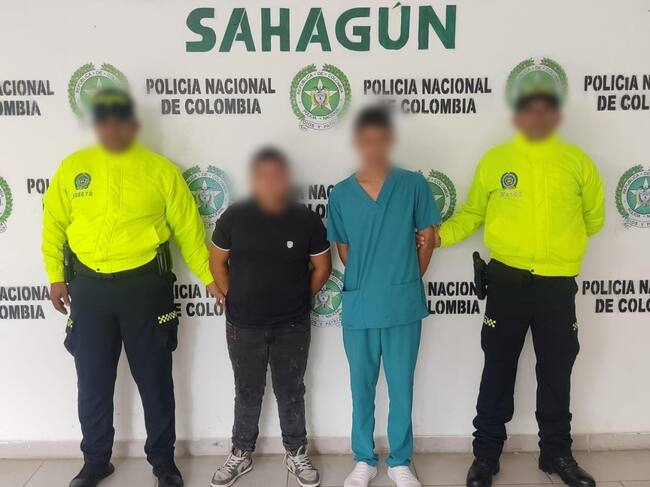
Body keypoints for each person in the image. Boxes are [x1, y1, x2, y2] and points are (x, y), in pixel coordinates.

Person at [432, 61, 605, 487]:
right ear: (518, 116)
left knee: (556, 372)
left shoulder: (578, 162)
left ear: (556, 116)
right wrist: (437, 237)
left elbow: (594, 219)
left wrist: (556, 249)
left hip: (557, 285)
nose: (537, 116)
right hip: (506, 282)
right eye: (529, 109)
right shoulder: (497, 160)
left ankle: (557, 455)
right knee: (498, 370)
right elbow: (472, 213)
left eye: (545, 109)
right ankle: (485, 456)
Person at [42, 88, 220, 487]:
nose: (111, 127)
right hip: (88, 290)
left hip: (145, 289)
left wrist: (211, 278)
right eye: (104, 120)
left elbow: (190, 233)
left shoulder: (161, 171)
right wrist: (55, 275)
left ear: (133, 124)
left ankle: (164, 464)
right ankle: (95, 461)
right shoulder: (73, 168)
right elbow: (53, 225)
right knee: (92, 382)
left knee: (155, 381)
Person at [327, 106, 441, 487]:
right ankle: (364, 458)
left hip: (402, 306)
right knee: (361, 388)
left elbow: (428, 238)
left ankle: (399, 461)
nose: (373, 146)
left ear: (390, 141)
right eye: (366, 139)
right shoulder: (341, 194)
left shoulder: (412, 185)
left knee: (401, 386)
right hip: (360, 306)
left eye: (381, 139)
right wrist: (374, 277)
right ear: (357, 143)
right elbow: (345, 251)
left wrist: (406, 277)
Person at [208, 147, 332, 487]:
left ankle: (296, 452)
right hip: (243, 325)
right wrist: (235, 297)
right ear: (253, 179)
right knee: (247, 390)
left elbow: (322, 268)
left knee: (291, 390)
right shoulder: (234, 217)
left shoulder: (305, 220)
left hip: (292, 324)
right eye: (263, 176)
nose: (270, 182)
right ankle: (241, 453)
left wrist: (299, 296)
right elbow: (217, 262)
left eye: (277, 175)